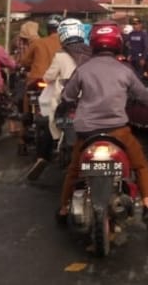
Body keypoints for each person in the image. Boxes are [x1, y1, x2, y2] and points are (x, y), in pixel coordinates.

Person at [57, 23, 148, 232]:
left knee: (74, 170)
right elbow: (143, 95)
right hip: (117, 131)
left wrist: (69, 103)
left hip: (87, 133)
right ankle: (147, 207)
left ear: (93, 43)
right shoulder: (125, 70)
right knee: (140, 166)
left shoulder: (83, 69)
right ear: (118, 44)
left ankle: (64, 210)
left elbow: (67, 96)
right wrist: (147, 103)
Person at [27, 18, 92, 181]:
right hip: (87, 100)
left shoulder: (61, 55)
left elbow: (48, 77)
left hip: (64, 101)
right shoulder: (91, 53)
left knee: (50, 122)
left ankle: (43, 156)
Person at [18, 15, 63, 154]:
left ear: (47, 29)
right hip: (56, 81)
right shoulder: (65, 44)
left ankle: (22, 140)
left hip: (36, 80)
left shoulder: (38, 43)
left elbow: (24, 61)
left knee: (26, 102)